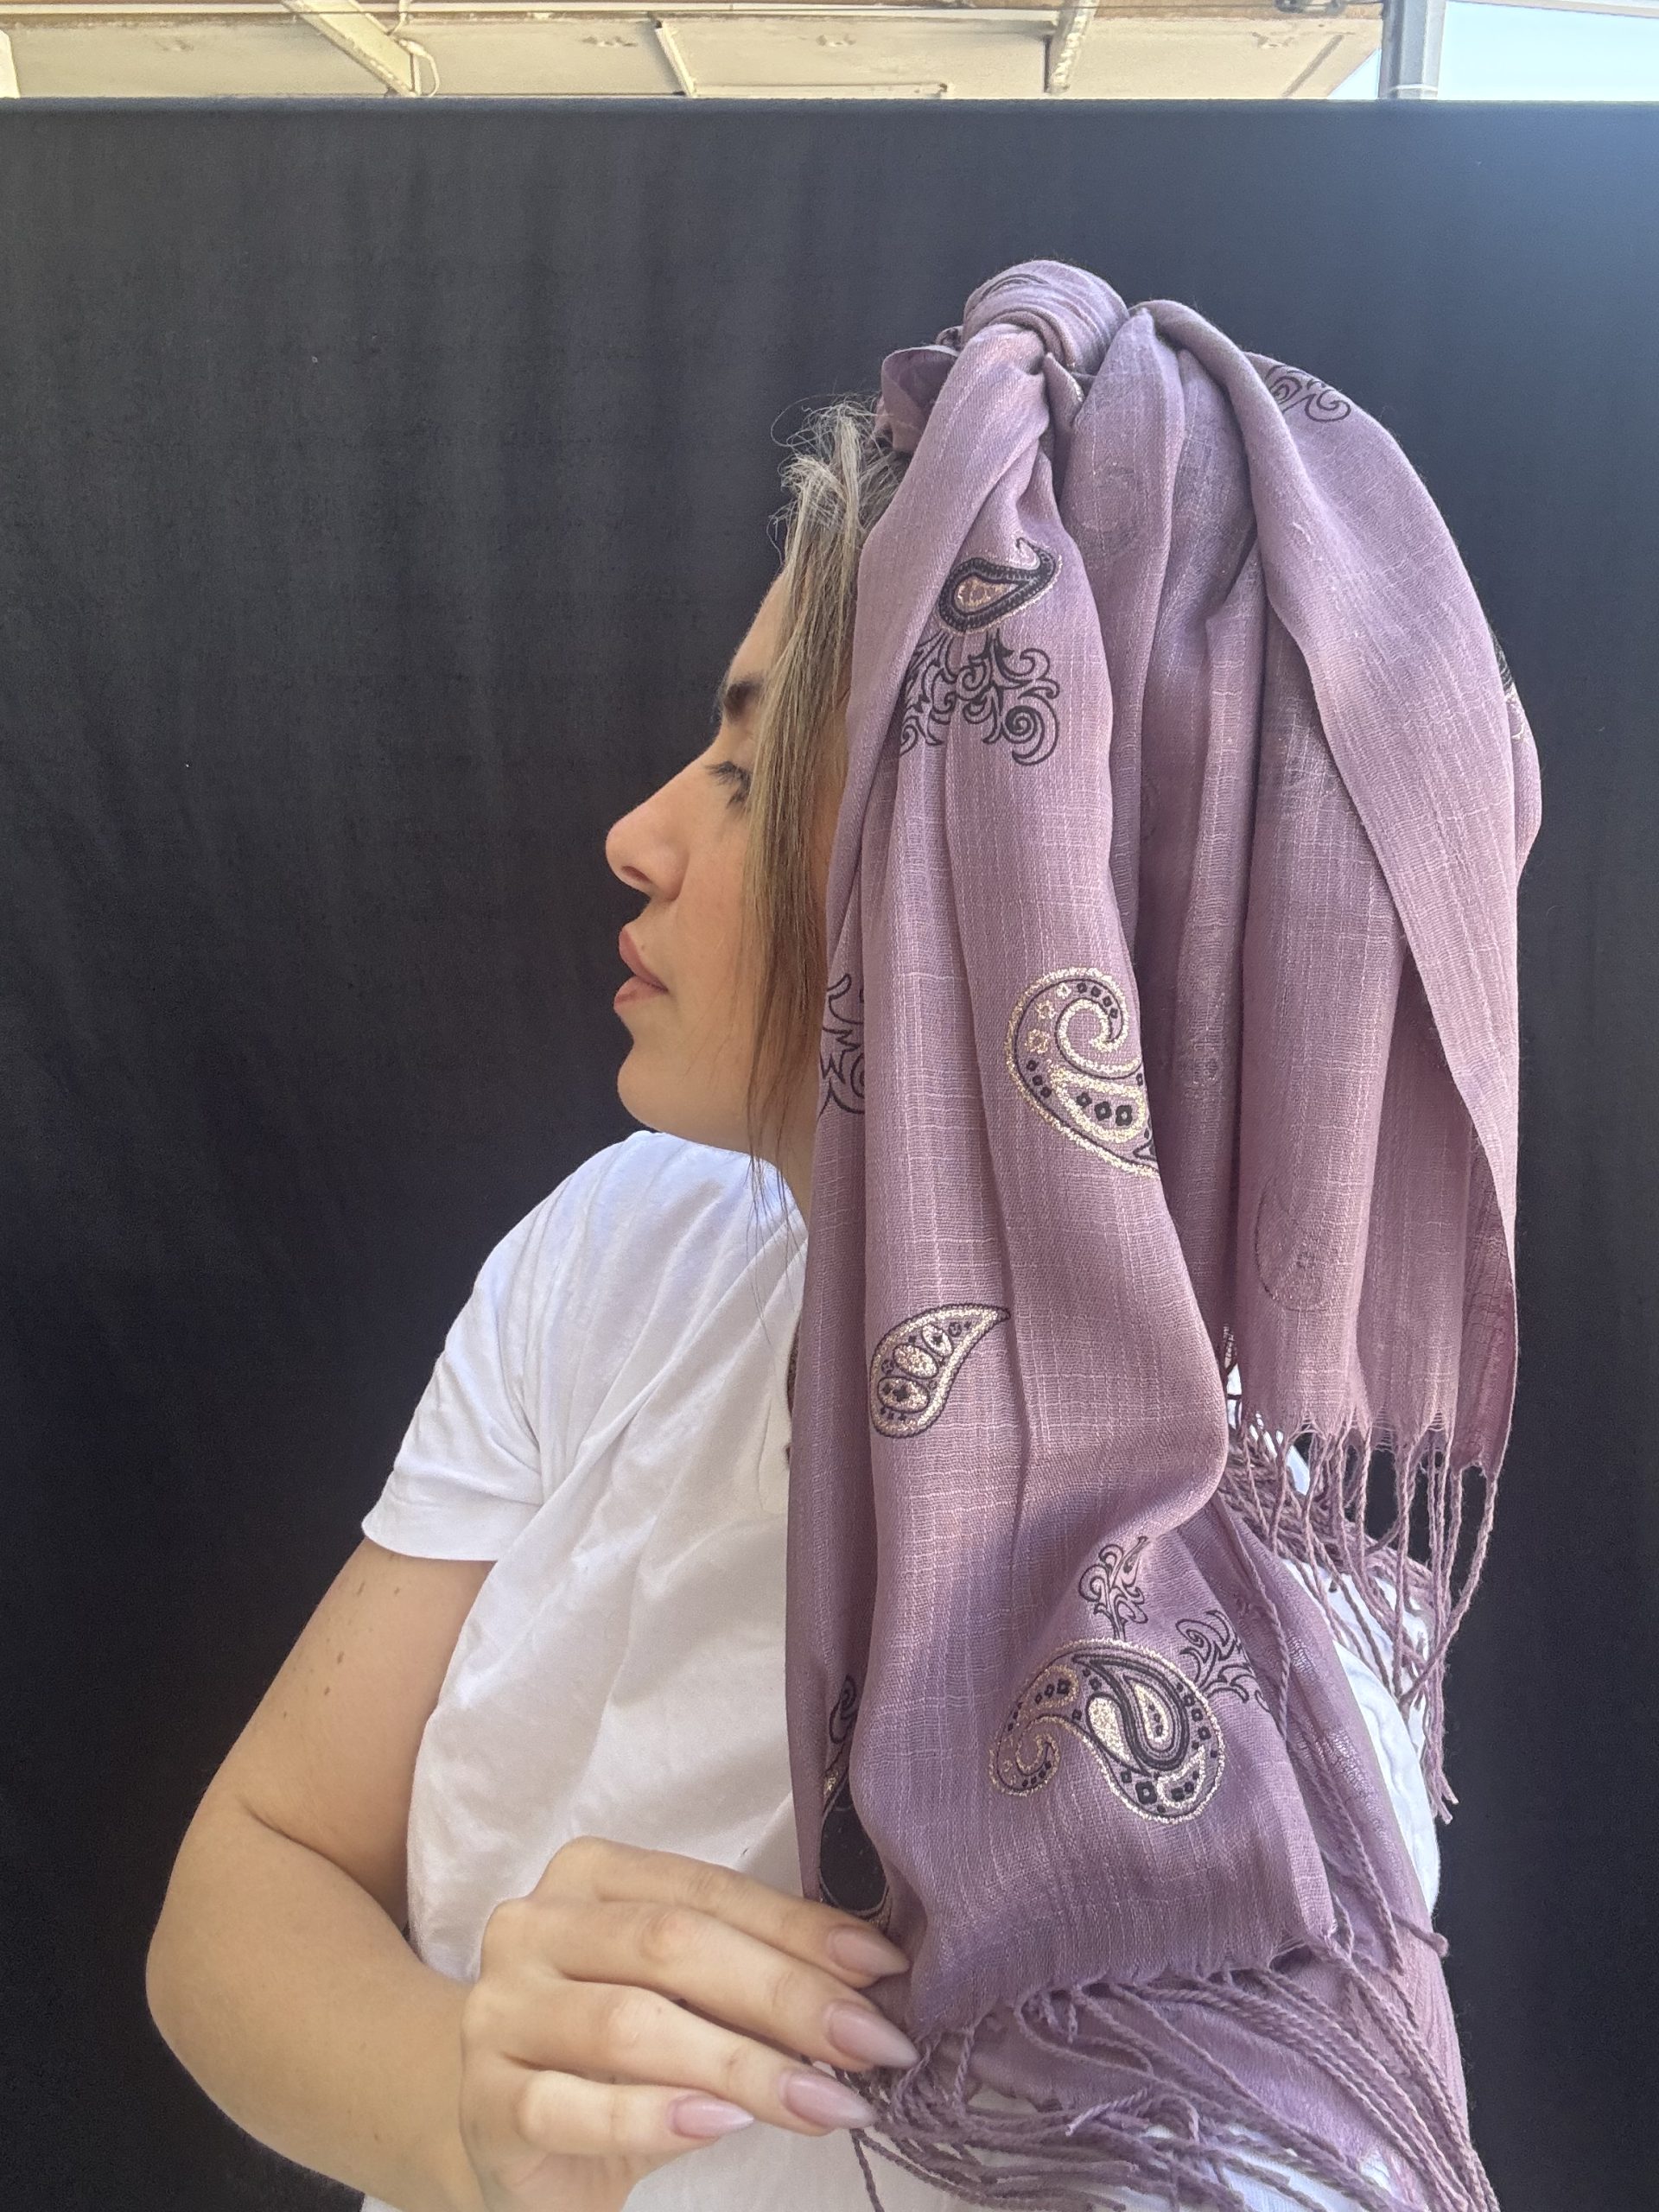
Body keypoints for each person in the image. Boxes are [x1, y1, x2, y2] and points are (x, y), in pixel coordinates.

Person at [144, 397, 1438, 2212]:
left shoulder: (1239, 1644)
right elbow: (250, 1872)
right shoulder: (626, 1243)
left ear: (986, 886)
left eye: (747, 777)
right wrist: (456, 2107)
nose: (636, 832)